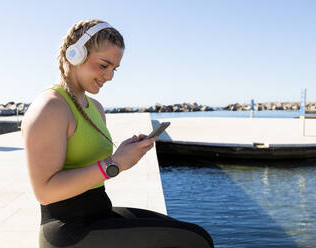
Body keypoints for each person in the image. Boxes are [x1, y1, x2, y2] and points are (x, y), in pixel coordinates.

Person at [21, 19, 214, 248]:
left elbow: (98, 164)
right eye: (104, 65)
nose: (110, 76)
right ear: (75, 55)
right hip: (68, 230)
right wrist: (115, 164)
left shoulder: (96, 108)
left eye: (115, 68)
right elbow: (45, 191)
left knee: (187, 231)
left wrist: (124, 152)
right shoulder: (50, 108)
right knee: (195, 240)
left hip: (99, 213)